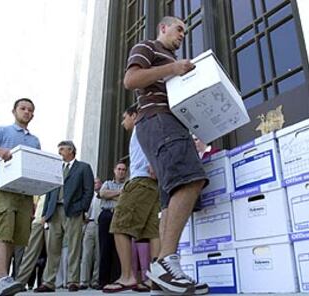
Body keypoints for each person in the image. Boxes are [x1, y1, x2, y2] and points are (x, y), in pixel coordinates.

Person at [124, 16, 209, 295]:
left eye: (185, 31)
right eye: (179, 29)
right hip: (158, 120)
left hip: (169, 124)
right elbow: (131, 80)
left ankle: (163, 277)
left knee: (170, 194)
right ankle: (165, 261)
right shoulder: (147, 47)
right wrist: (173, 68)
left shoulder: (171, 59)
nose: (183, 34)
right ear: (163, 28)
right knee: (191, 180)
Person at [0, 98, 41, 296]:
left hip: (25, 192)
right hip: (4, 189)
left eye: (30, 110)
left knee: (13, 236)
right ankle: (4, 278)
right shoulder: (3, 131)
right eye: (23, 108)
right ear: (14, 111)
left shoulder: (34, 140)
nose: (27, 112)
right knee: (2, 233)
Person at [102, 104, 160, 293]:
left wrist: (153, 163)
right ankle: (156, 277)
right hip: (151, 185)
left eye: (124, 117)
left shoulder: (141, 124)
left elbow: (152, 142)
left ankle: (127, 277)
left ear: (134, 115)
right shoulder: (146, 124)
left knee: (119, 225)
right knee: (152, 232)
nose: (122, 122)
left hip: (140, 182)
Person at [34, 140, 94, 293]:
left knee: (74, 246)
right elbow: (50, 190)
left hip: (73, 212)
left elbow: (89, 190)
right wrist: (45, 214)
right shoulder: (56, 168)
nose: (59, 152)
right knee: (52, 248)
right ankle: (48, 282)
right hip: (54, 212)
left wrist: (82, 208)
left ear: (71, 150)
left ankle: (73, 280)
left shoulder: (83, 167)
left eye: (62, 149)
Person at [97, 161, 127, 288]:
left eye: (124, 170)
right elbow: (102, 194)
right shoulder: (107, 183)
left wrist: (111, 195)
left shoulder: (128, 185)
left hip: (121, 216)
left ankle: (117, 279)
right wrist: (120, 193)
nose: (121, 171)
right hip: (106, 216)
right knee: (105, 248)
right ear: (114, 170)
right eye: (119, 169)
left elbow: (127, 199)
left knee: (119, 249)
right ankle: (103, 281)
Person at [16, 195, 46, 289]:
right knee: (30, 253)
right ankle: (20, 281)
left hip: (50, 217)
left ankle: (46, 282)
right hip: (37, 220)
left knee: (50, 254)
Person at [79, 178, 102, 290]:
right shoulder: (88, 196)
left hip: (100, 225)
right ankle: (84, 280)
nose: (95, 184)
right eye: (93, 182)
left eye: (97, 182)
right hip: (89, 225)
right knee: (86, 253)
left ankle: (95, 280)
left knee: (98, 254)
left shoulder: (103, 195)